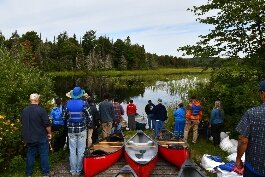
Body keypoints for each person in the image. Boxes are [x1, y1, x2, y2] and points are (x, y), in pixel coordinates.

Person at [235, 80, 265, 177]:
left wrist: (238, 159)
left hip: (254, 169)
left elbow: (243, 141)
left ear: (263, 93)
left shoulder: (252, 113)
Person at [21, 93, 51, 177]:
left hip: (29, 136)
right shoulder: (41, 110)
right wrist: (49, 133)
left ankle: (28, 173)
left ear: (30, 100)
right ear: (38, 100)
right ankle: (45, 173)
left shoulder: (24, 110)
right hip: (41, 136)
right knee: (44, 154)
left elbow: (22, 123)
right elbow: (47, 125)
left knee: (30, 155)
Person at [64, 86, 91, 176]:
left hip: (71, 130)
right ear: (80, 95)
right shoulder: (84, 103)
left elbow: (64, 117)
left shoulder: (67, 103)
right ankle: (79, 170)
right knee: (81, 150)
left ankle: (73, 171)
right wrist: (86, 123)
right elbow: (90, 118)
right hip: (82, 129)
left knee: (72, 150)